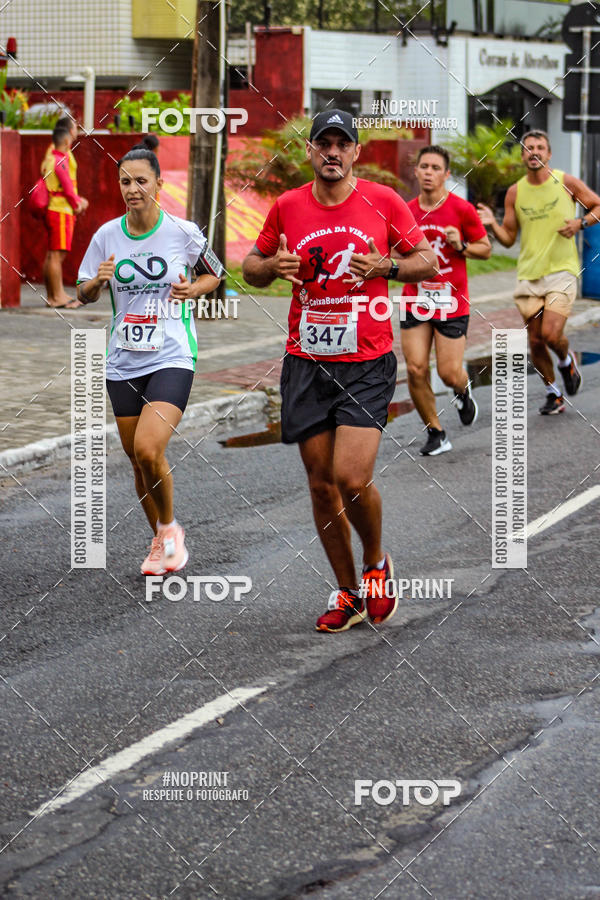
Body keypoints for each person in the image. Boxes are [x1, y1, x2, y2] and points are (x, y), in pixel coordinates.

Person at [243, 109, 436, 633]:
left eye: (341, 143)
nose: (332, 151)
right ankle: (348, 592)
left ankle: (376, 565)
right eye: (322, 143)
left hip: (367, 361)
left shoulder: (385, 201)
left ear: (355, 152)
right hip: (306, 362)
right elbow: (250, 269)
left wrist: (386, 267)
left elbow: (427, 262)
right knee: (321, 484)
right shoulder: (287, 206)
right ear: (310, 151)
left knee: (352, 478)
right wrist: (272, 268)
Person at [76, 141, 223, 575]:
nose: (133, 188)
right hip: (123, 360)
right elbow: (82, 293)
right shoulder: (107, 235)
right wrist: (96, 284)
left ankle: (171, 529)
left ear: (159, 183)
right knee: (138, 460)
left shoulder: (183, 231)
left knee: (148, 447)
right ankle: (161, 540)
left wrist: (194, 289)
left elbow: (216, 273)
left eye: (141, 180)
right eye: (125, 181)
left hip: (172, 354)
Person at [478, 129, 600, 414]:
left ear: (548, 153)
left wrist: (579, 224)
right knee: (534, 340)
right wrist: (491, 224)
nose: (534, 152)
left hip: (562, 270)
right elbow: (508, 237)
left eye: (540, 147)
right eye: (528, 148)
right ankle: (553, 393)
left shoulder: (566, 182)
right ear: (523, 155)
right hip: (529, 274)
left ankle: (566, 361)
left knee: (551, 334)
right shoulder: (515, 191)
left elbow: (597, 205)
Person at [401, 146, 491, 455]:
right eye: (423, 166)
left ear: (446, 174)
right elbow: (396, 248)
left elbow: (486, 249)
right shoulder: (406, 210)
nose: (428, 172)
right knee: (415, 369)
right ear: (416, 171)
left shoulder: (461, 209)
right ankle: (436, 432)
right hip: (415, 298)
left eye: (435, 167)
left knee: (448, 372)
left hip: (451, 302)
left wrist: (461, 245)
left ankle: (462, 391)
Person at [42, 116, 89, 308]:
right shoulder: (60, 158)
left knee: (52, 254)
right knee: (56, 255)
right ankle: (57, 296)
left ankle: (54, 295)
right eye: (75, 128)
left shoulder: (52, 154)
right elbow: (67, 185)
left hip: (56, 208)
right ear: (68, 136)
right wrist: (77, 203)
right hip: (60, 209)